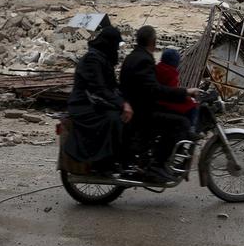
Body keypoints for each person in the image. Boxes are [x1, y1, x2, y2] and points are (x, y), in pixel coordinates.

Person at [120, 26, 201, 182]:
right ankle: (157, 165)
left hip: (138, 106)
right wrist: (184, 92)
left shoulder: (133, 57)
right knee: (180, 122)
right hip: (142, 112)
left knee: (173, 117)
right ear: (153, 42)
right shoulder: (144, 60)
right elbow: (155, 90)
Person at [64, 26, 132, 167]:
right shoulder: (92, 59)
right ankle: (103, 163)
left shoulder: (103, 58)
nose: (117, 50)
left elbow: (112, 86)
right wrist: (122, 104)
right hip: (83, 104)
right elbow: (99, 88)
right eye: (115, 45)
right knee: (113, 119)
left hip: (96, 101)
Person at [155, 48, 199, 131]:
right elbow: (172, 91)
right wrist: (186, 95)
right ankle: (191, 129)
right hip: (164, 102)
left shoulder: (157, 68)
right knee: (192, 105)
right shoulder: (171, 73)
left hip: (157, 100)